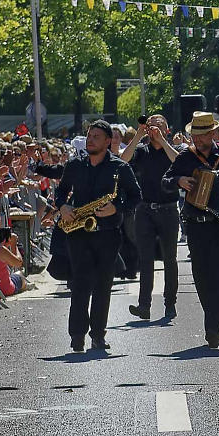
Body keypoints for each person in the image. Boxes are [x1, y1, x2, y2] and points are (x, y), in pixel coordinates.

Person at [52, 119, 139, 353]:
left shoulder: (119, 167)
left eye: (96, 137)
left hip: (108, 234)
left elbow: (135, 196)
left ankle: (98, 335)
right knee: (80, 285)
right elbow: (60, 192)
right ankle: (77, 335)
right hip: (78, 232)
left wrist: (116, 208)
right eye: (89, 136)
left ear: (108, 141)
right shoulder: (75, 165)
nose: (90, 140)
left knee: (103, 286)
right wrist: (63, 206)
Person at [165, 112, 219, 349]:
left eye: (202, 135)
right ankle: (212, 319)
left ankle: (214, 329)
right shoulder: (186, 156)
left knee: (217, 276)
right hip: (195, 226)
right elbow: (165, 181)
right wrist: (179, 181)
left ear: (213, 133)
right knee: (201, 277)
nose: (197, 139)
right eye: (194, 135)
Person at [122, 114, 180, 322]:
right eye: (152, 125)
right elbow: (122, 160)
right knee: (145, 259)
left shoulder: (172, 149)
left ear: (167, 130)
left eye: (159, 125)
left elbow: (180, 162)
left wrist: (162, 140)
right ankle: (144, 305)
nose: (155, 128)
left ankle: (170, 304)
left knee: (169, 259)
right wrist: (139, 134)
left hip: (168, 209)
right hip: (145, 209)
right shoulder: (141, 151)